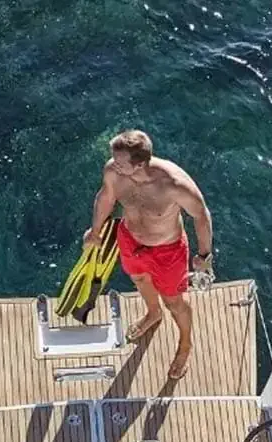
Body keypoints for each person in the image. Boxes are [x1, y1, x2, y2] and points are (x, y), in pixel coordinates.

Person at [83, 129, 214, 379]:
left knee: (174, 301)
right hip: (130, 239)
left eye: (121, 163)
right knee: (140, 280)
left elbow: (201, 215)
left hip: (168, 250)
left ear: (140, 163)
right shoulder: (114, 171)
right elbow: (106, 197)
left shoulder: (174, 185)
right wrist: (95, 231)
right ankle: (153, 314)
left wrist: (204, 257)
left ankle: (185, 343)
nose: (114, 165)